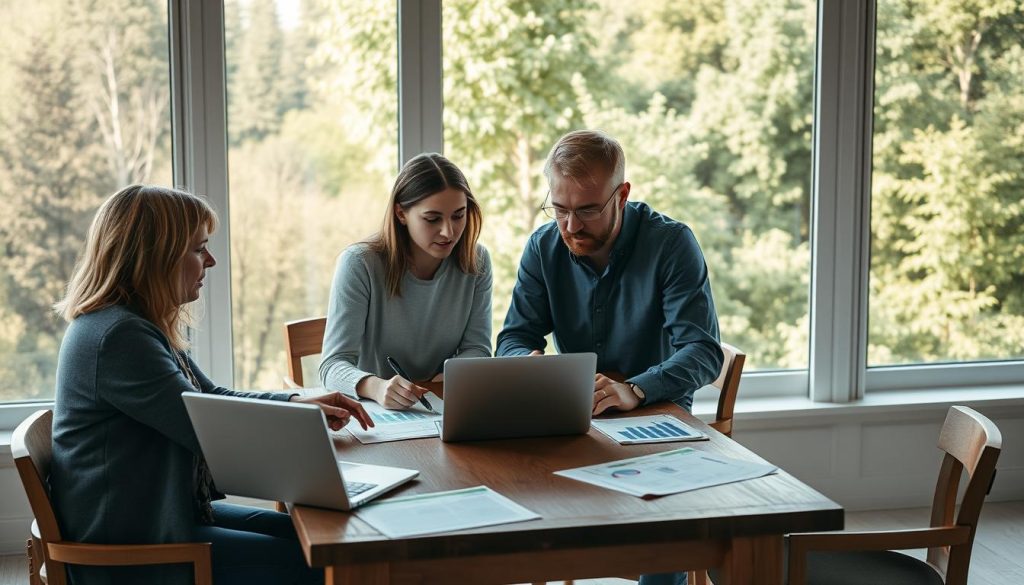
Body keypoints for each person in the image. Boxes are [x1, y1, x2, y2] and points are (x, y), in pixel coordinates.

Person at [50, 185, 371, 585]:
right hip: (129, 550)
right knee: (320, 562)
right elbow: (210, 434)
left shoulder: (131, 324)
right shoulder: (118, 337)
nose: (212, 260)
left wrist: (298, 403)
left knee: (328, 542)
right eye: (199, 249)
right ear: (155, 257)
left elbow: (211, 399)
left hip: (155, 516)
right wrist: (302, 437)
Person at [496, 130, 724, 585]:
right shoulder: (543, 248)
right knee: (512, 501)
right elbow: (512, 338)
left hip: (659, 416)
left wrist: (635, 388)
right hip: (574, 414)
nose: (571, 227)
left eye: (586, 211)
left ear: (622, 194)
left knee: (663, 527)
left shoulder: (672, 244)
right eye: (559, 209)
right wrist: (531, 364)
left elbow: (703, 353)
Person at [319, 153, 492, 410]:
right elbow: (332, 366)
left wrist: (448, 378)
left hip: (440, 408)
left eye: (458, 215)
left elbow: (477, 348)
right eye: (432, 218)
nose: (449, 231)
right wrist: (376, 387)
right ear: (401, 213)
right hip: (375, 412)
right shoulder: (359, 263)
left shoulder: (476, 260)